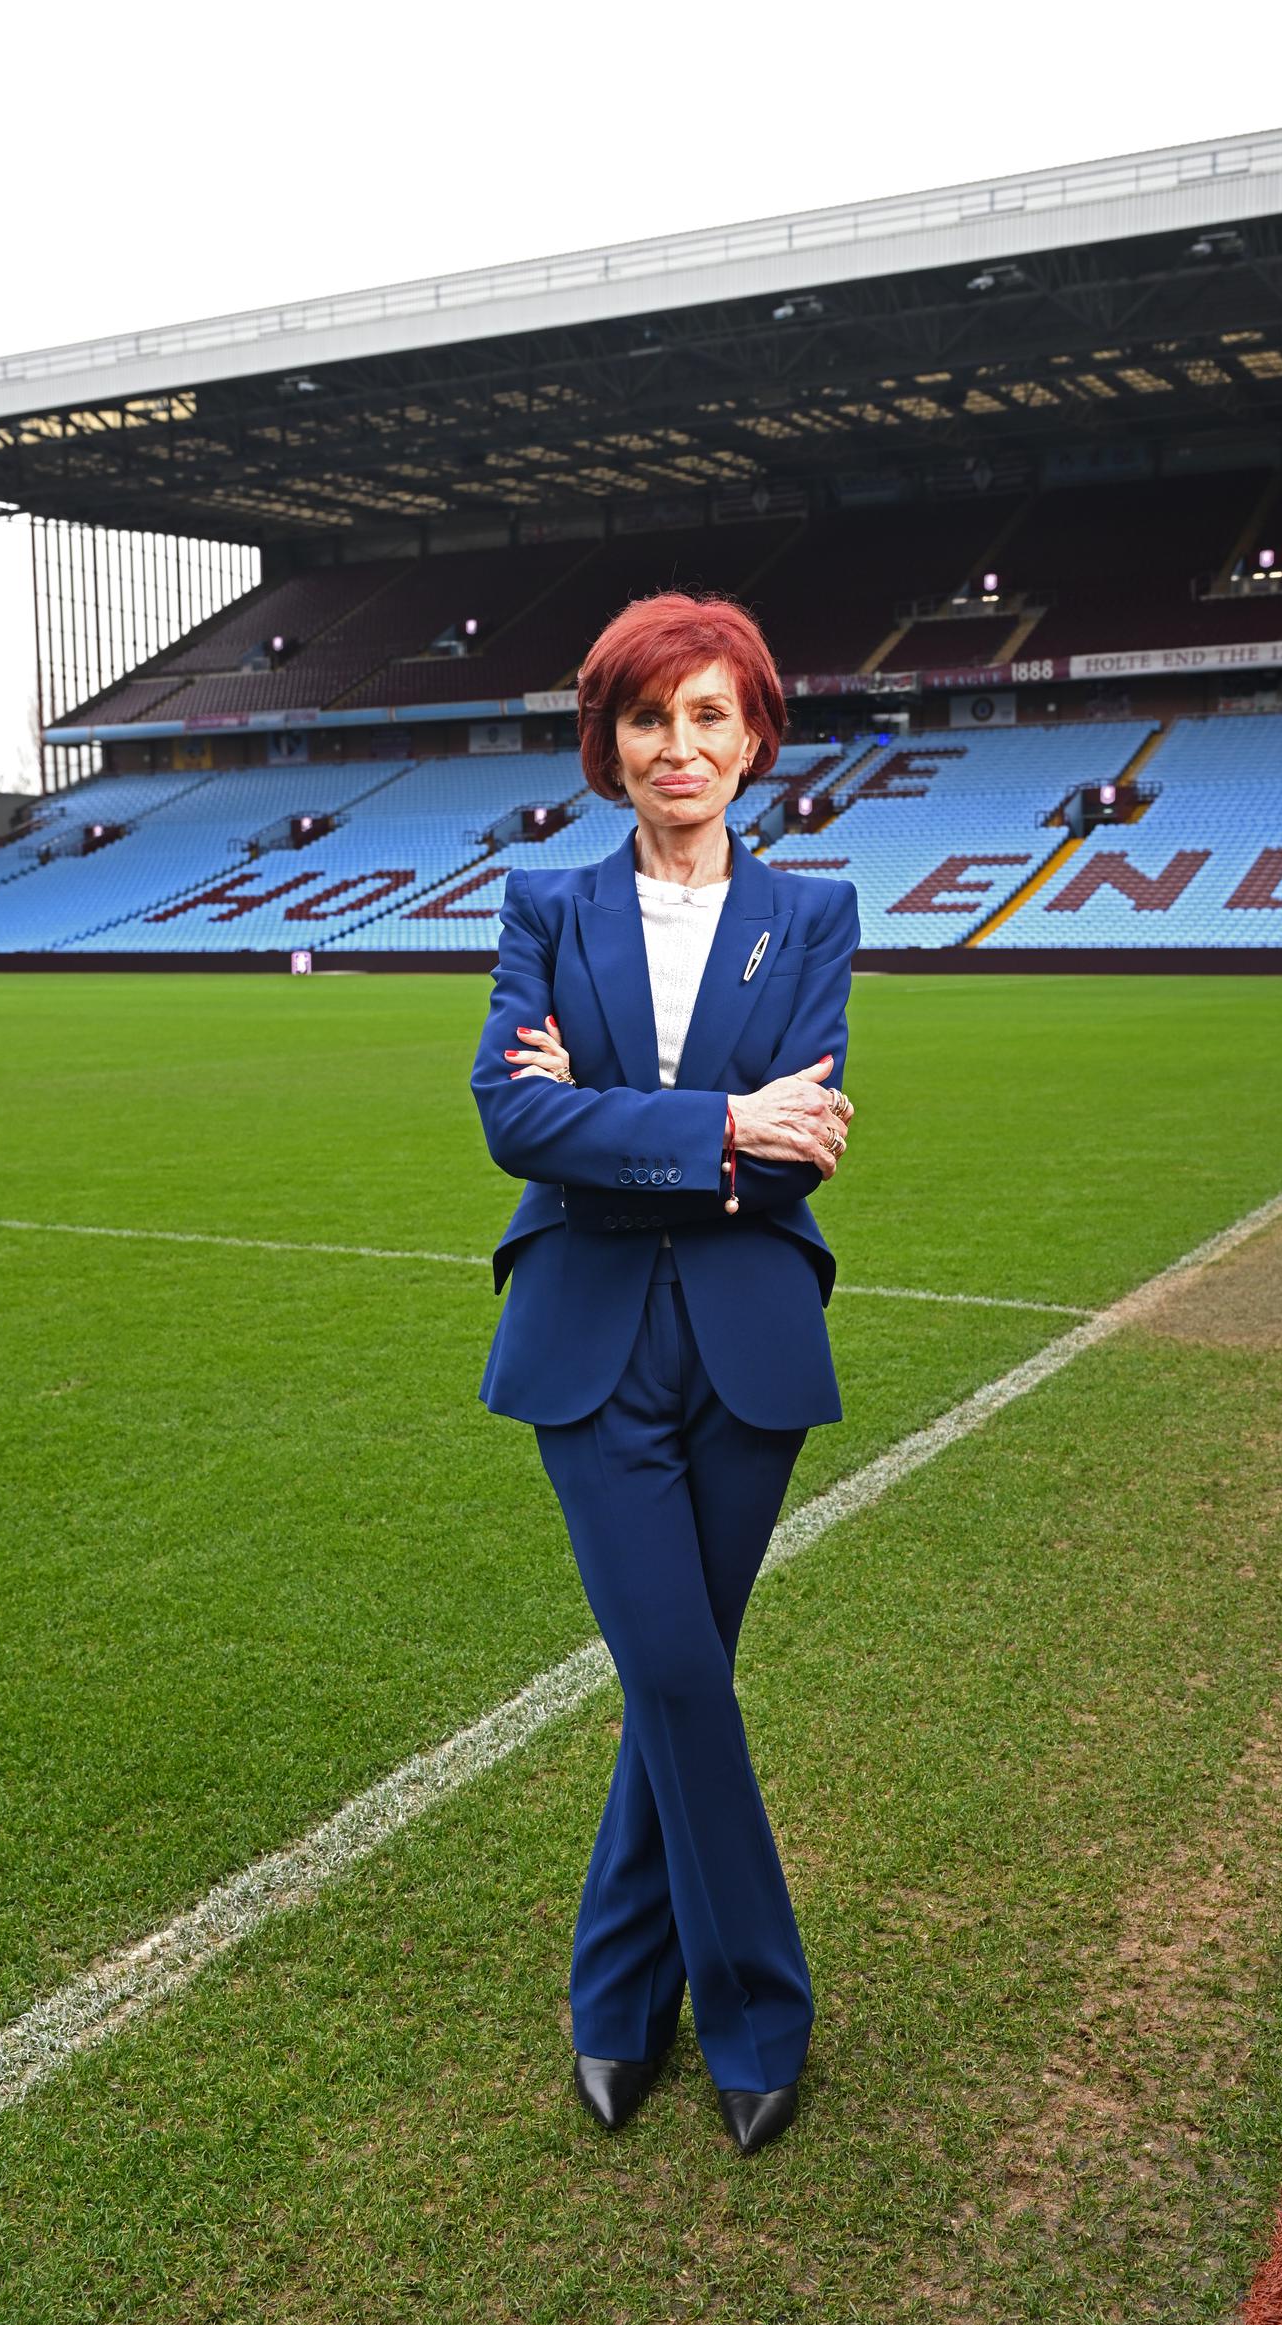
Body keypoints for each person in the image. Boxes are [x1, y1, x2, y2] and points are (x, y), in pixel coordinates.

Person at [469, 591, 859, 2156]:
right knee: (681, 1672)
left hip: (751, 1342)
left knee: (668, 1678)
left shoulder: (815, 912)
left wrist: (620, 1123)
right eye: (648, 718)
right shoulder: (544, 907)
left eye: (708, 716)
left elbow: (800, 1159)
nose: (677, 746)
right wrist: (715, 1123)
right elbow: (513, 1123)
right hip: (584, 1340)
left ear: (753, 736)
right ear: (609, 745)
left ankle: (618, 2002)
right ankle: (760, 2011)